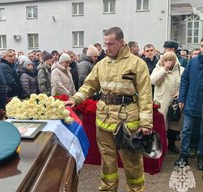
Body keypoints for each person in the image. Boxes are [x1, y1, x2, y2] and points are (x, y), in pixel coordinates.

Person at [65, 27, 152, 191]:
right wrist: (75, 99)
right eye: (105, 44)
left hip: (128, 123)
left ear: (121, 42)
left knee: (132, 163)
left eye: (111, 44)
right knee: (107, 162)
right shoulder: (101, 64)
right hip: (104, 121)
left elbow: (145, 95)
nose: (107, 47)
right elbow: (89, 85)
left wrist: (146, 123)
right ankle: (107, 188)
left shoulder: (137, 64)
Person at [175, 38, 203, 170]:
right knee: (186, 131)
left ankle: (201, 156)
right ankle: (183, 156)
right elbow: (184, 80)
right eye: (202, 46)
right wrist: (181, 98)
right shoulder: (193, 62)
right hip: (191, 103)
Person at [150, 51, 184, 154]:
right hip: (161, 101)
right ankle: (160, 145)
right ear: (162, 61)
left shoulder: (181, 70)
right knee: (162, 124)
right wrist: (164, 70)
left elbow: (185, 83)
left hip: (175, 102)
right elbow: (153, 81)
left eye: (171, 60)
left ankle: (172, 144)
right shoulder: (158, 69)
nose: (168, 62)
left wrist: (180, 93)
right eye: (166, 60)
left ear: (175, 61)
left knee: (174, 124)